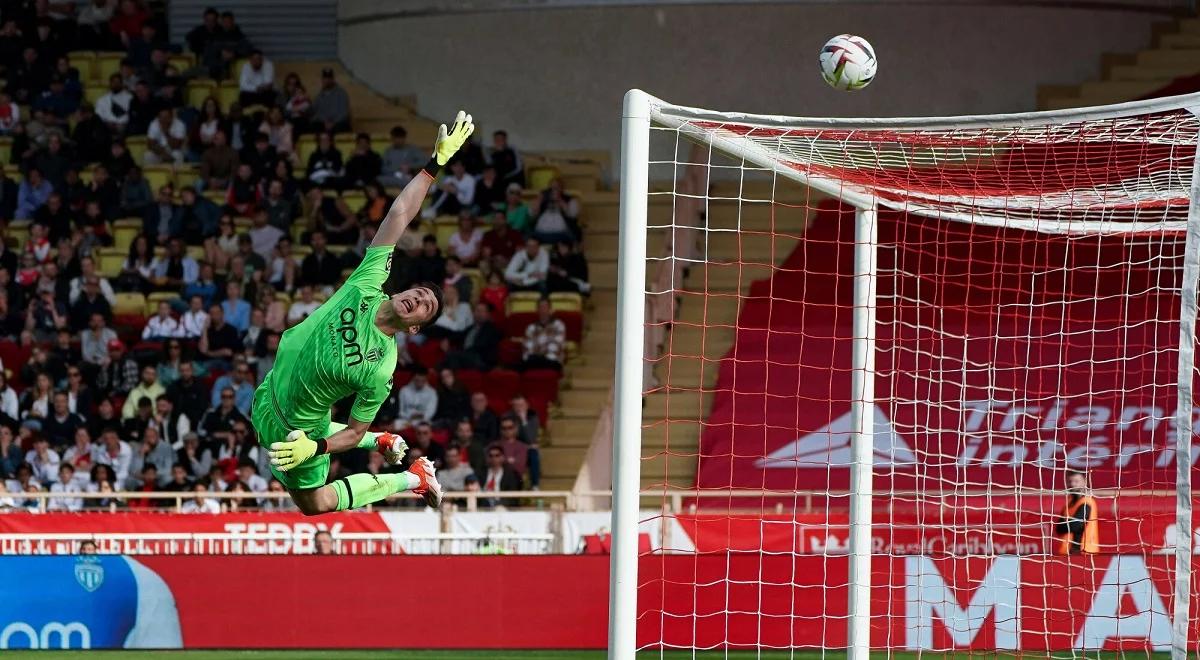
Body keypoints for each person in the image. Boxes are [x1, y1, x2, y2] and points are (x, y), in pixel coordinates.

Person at [254, 111, 476, 516]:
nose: (418, 299)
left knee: (315, 504)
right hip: (267, 394)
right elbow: (399, 215)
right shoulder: (368, 281)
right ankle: (386, 441)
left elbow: (353, 429)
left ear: (414, 326)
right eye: (420, 292)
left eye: (425, 307)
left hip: (300, 433)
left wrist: (316, 446)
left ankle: (412, 478)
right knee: (362, 439)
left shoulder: (380, 367)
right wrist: (434, 165)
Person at [1054, 470, 1099, 555]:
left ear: (1084, 482)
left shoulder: (1087, 502)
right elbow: (1059, 529)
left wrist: (1066, 523)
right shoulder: (1068, 504)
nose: (1073, 484)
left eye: (1076, 481)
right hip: (1069, 552)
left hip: (1085, 552)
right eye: (1070, 481)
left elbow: (1075, 525)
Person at [523, 298, 567, 372]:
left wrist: (539, 348)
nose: (543, 310)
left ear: (550, 310)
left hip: (551, 360)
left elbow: (557, 346)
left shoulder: (558, 325)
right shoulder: (531, 327)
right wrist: (545, 346)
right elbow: (528, 347)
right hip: (535, 359)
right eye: (540, 307)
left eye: (545, 307)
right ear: (537, 310)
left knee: (549, 359)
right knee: (526, 362)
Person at [312, 68, 350, 134]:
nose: (327, 80)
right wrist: (324, 122)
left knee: (343, 126)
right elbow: (315, 112)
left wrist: (333, 122)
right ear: (322, 79)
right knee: (314, 126)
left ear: (333, 79)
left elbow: (344, 113)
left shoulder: (341, 93)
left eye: (329, 78)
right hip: (324, 123)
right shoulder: (319, 96)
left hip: (338, 124)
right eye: (325, 78)